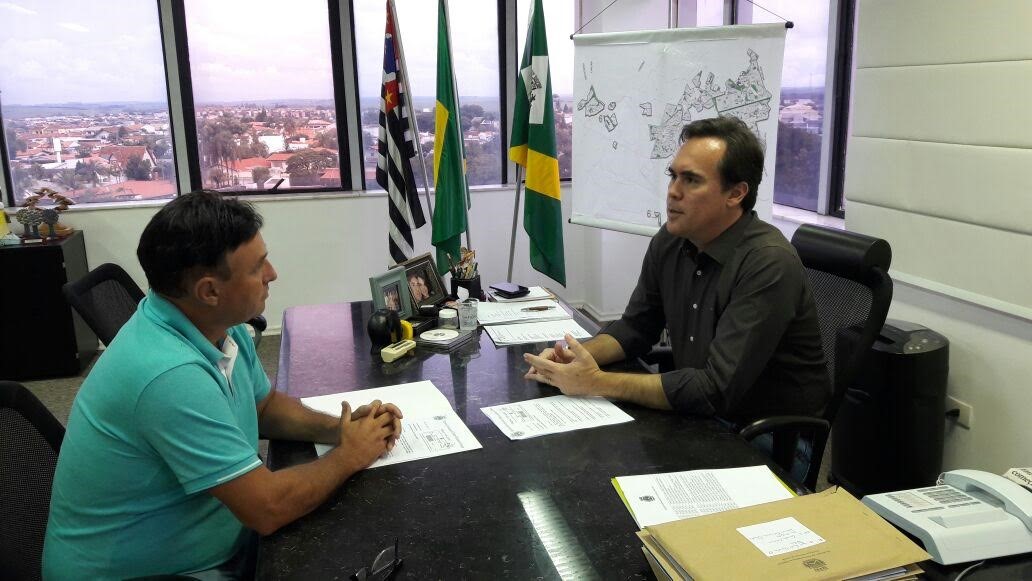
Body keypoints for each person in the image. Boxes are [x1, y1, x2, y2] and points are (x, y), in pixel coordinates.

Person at [43, 191, 403, 580]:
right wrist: (350, 455)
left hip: (208, 542)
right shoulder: (170, 375)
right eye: (258, 267)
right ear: (210, 291)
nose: (273, 274)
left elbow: (262, 407)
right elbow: (267, 509)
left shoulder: (217, 325)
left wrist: (340, 429)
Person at [525, 116, 830, 426]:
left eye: (691, 180)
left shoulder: (768, 262)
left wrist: (594, 381)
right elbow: (635, 328)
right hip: (700, 416)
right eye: (673, 176)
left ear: (736, 193)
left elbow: (715, 389)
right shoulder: (672, 239)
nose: (673, 191)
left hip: (767, 439)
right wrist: (573, 356)